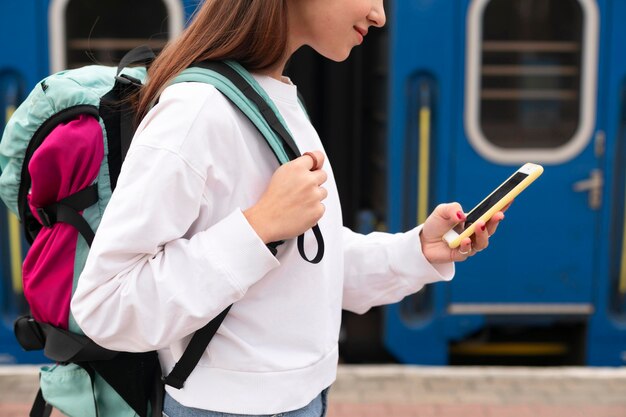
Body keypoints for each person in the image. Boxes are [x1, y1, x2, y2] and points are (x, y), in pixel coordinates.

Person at [70, 1, 506, 416]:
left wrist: (420, 251)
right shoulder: (196, 111)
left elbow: (309, 261)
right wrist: (257, 227)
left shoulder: (276, 97)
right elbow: (105, 305)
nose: (380, 15)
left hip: (303, 399)